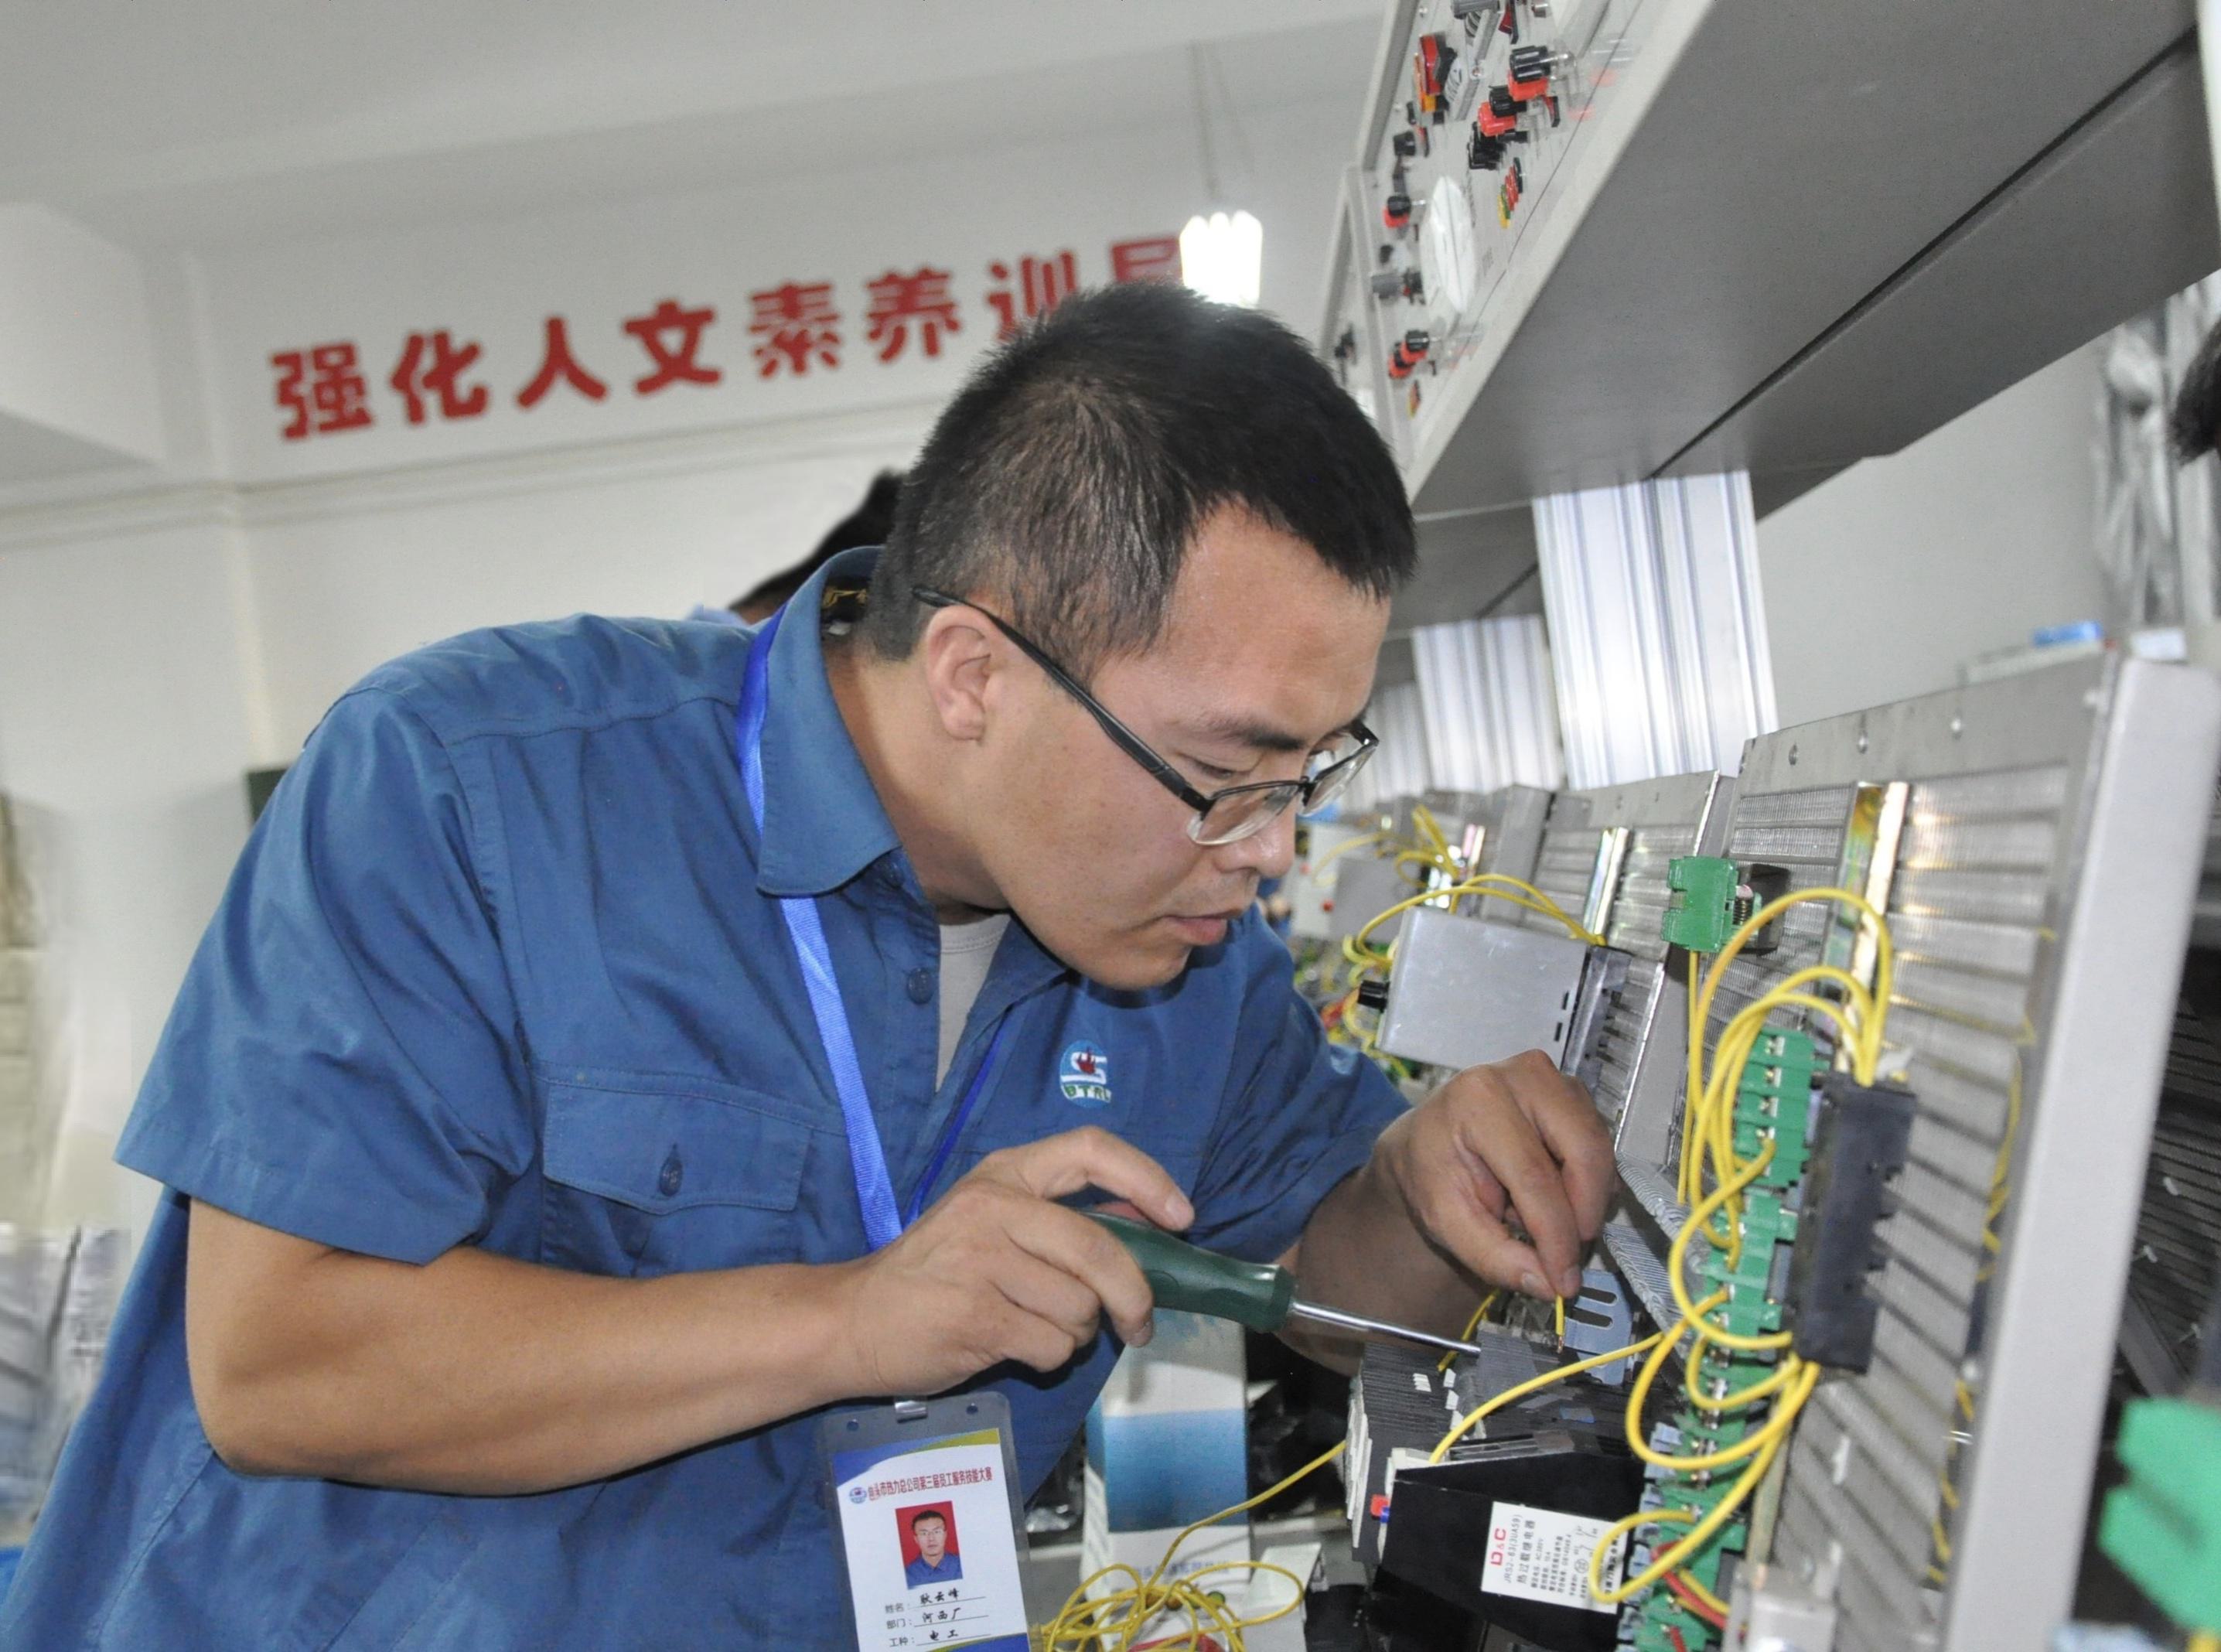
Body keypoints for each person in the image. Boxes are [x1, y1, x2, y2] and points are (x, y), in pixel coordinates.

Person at [1, 281, 1612, 1647]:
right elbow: (280, 1361)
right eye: (1224, 771)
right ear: (973, 675)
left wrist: (1420, 1196)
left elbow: (1327, 1292)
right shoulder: (474, 786)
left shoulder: (1185, 956)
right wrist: (848, 1321)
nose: (1266, 847)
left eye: (1310, 771)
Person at [903, 1509, 960, 1589]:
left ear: (945, 1535)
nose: (931, 1538)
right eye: (924, 1533)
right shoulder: (908, 1575)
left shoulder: (961, 1565)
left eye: (937, 1532)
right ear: (916, 1539)